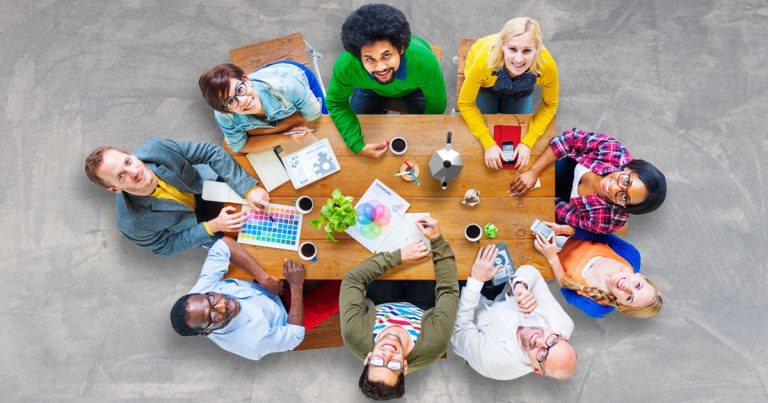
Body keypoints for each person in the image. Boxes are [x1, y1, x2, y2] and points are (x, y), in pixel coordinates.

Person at [84, 139, 270, 255]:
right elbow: (165, 246)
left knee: (271, 201)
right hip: (198, 226)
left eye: (128, 162)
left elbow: (209, 152)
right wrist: (212, 226)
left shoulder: (156, 149)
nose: (134, 172)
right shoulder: (131, 224)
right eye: (121, 176)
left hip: (206, 185)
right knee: (263, 249)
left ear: (131, 154)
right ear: (115, 189)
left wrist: (248, 190)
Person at [340, 217, 458, 400]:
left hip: (382, 300)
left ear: (367, 358)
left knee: (389, 234)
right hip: (423, 305)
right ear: (404, 367)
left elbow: (352, 280)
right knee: (428, 247)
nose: (387, 353)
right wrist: (437, 241)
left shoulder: (354, 335)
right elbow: (448, 291)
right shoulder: (434, 345)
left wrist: (398, 256)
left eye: (378, 361)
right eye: (393, 366)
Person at [326, 3, 447, 158]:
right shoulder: (346, 66)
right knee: (355, 129)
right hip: (370, 89)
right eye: (370, 59)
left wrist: (426, 128)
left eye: (386, 55)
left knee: (423, 138)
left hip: (414, 89)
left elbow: (436, 104)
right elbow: (336, 102)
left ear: (401, 49)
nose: (380, 68)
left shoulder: (425, 63)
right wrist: (357, 145)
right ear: (358, 57)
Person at [452, 245, 577, 380]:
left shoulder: (493, 362)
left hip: (459, 311)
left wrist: (476, 280)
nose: (538, 340)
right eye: (552, 341)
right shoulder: (562, 322)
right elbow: (532, 273)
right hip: (498, 292)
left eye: (542, 355)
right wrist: (521, 286)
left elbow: (460, 328)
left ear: (536, 370)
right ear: (561, 335)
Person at [509, 127, 667, 234]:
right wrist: (534, 172)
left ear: (627, 207)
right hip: (550, 163)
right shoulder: (614, 151)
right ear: (629, 169)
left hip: (554, 202)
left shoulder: (607, 220)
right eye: (626, 182)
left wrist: (538, 196)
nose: (613, 189)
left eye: (624, 197)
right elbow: (569, 139)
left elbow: (566, 214)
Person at [169, 237, 305, 360]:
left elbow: (223, 245)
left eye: (211, 300)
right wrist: (296, 286)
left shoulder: (200, 294)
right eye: (212, 315)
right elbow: (294, 335)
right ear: (207, 332)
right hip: (288, 317)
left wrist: (263, 279)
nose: (222, 305)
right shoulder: (253, 343)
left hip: (264, 287)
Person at [458, 17, 559, 170]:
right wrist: (488, 143)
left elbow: (550, 105)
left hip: (520, 89)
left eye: (527, 51)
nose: (518, 59)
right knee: (482, 120)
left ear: (537, 50)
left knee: (517, 126)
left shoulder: (547, 66)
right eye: (512, 49)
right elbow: (465, 103)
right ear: (502, 46)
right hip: (487, 85)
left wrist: (528, 142)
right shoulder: (484, 61)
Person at [533, 224, 663, 318]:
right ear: (641, 276)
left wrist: (552, 257)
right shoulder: (631, 255)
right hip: (564, 229)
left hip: (542, 257)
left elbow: (568, 292)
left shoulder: (596, 308)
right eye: (638, 285)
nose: (627, 287)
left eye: (629, 298)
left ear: (621, 305)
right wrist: (562, 229)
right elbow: (600, 234)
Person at [198, 61, 325, 153]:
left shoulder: (288, 85)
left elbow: (313, 115)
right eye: (231, 102)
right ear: (225, 109)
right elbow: (240, 147)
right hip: (267, 81)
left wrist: (263, 134)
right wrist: (287, 137)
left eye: (240, 89)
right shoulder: (224, 115)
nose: (243, 101)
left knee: (325, 118)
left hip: (293, 75)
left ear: (246, 80)